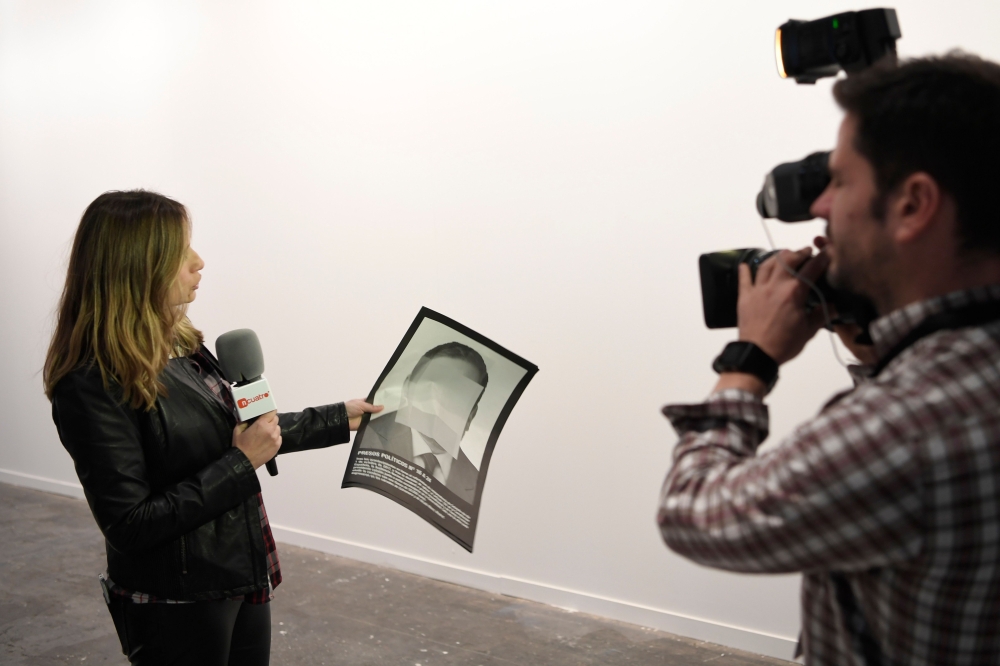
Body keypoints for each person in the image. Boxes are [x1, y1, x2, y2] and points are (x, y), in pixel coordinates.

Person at [657, 54, 1000, 665]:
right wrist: (876, 352)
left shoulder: (906, 426)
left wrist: (749, 358)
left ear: (913, 204)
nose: (819, 207)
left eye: (839, 181)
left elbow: (694, 513)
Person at [43, 190, 382, 666]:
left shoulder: (182, 347)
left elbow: (239, 431)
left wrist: (339, 417)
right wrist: (241, 463)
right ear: (137, 266)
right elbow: (130, 525)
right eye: (180, 251)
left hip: (239, 573)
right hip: (176, 601)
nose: (198, 261)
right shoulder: (91, 383)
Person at [361, 342, 487, 503]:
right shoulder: (365, 437)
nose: (439, 401)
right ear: (407, 388)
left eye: (457, 393)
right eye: (431, 385)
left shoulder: (479, 491)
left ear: (471, 415)